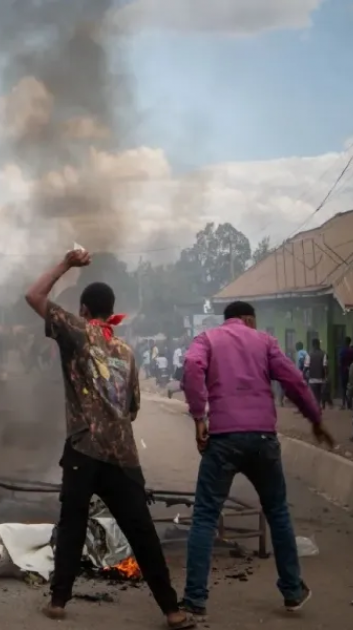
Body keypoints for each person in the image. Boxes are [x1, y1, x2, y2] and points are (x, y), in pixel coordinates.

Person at [25, 249, 194, 630]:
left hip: (84, 448)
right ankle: (172, 610)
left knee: (72, 523)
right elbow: (132, 408)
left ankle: (58, 602)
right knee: (142, 531)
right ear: (110, 310)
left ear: (84, 310)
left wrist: (66, 264)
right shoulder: (127, 352)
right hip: (122, 453)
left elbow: (33, 296)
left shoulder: (75, 330)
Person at [180, 301, 333, 616]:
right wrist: (315, 418)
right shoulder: (265, 341)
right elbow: (293, 380)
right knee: (277, 512)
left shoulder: (207, 339)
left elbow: (192, 367)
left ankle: (195, 599)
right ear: (249, 319)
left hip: (222, 439)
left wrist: (199, 417)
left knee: (206, 517)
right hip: (263, 438)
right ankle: (292, 591)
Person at [305, 338, 328, 409]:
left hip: (312, 379)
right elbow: (325, 366)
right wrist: (326, 376)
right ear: (319, 344)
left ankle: (317, 408)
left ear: (312, 345)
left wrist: (303, 374)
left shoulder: (309, 354)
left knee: (314, 395)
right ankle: (318, 407)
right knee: (319, 395)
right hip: (321, 378)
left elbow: (306, 366)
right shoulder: (323, 354)